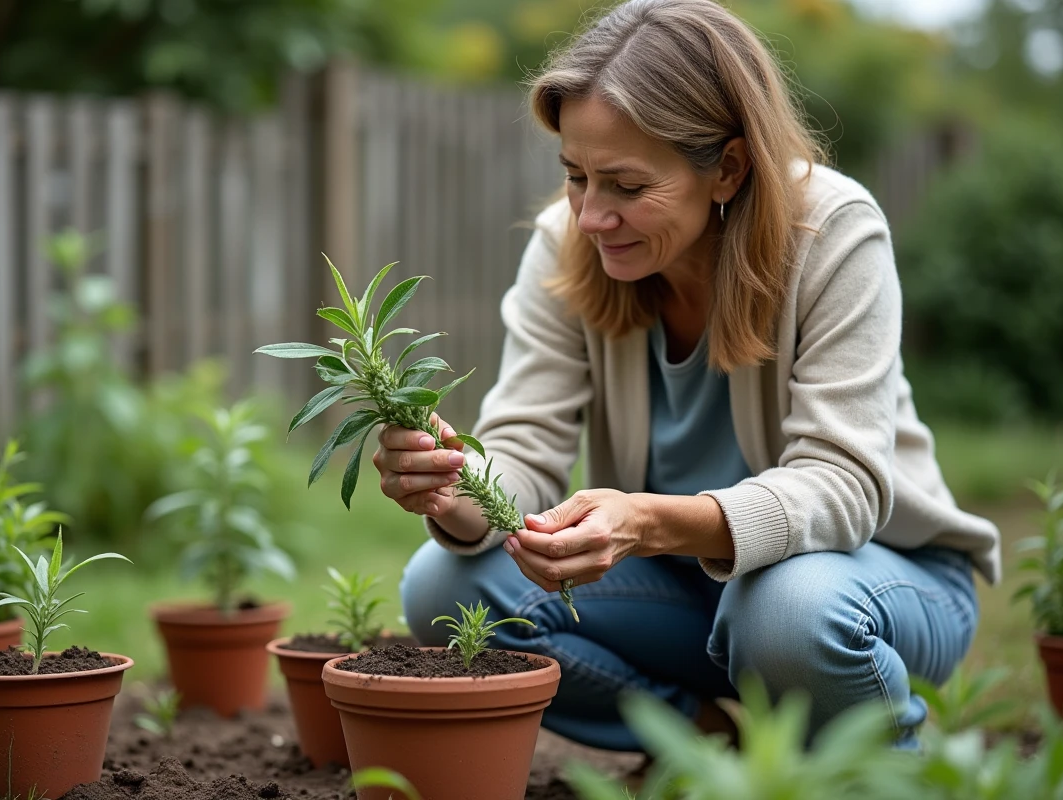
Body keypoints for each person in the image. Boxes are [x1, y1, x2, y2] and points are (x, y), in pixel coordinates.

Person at [371, 0, 1000, 751]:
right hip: (688, 598)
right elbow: (523, 452)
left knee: (784, 610)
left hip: (874, 586)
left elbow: (843, 483)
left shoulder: (834, 233)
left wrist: (648, 521)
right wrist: (455, 486)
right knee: (443, 588)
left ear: (727, 167)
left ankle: (899, 771)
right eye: (576, 176)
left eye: (627, 187)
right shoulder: (566, 245)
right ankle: (700, 744)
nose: (592, 215)